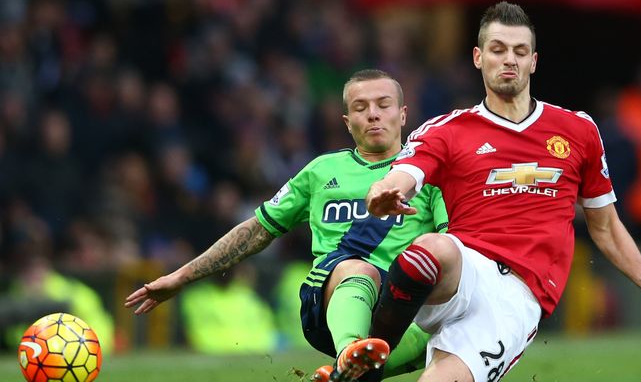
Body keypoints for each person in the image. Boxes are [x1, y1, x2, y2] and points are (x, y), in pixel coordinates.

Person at [356, 2, 641, 382]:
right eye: (498, 49)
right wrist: (384, 190)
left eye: (520, 51)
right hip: (465, 269)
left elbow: (604, 225)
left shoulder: (578, 131)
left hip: (518, 297)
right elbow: (404, 172)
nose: (510, 60)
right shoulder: (447, 129)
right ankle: (367, 366)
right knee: (431, 249)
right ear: (478, 57)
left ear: (533, 61)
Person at [124, 69, 448, 381]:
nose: (373, 115)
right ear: (348, 123)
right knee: (360, 270)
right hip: (329, 301)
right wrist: (181, 277)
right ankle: (349, 350)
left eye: (383, 105)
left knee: (448, 323)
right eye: (361, 108)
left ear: (403, 114)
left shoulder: (432, 174)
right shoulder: (322, 171)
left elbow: (455, 246)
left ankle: (347, 374)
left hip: (403, 305)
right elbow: (256, 230)